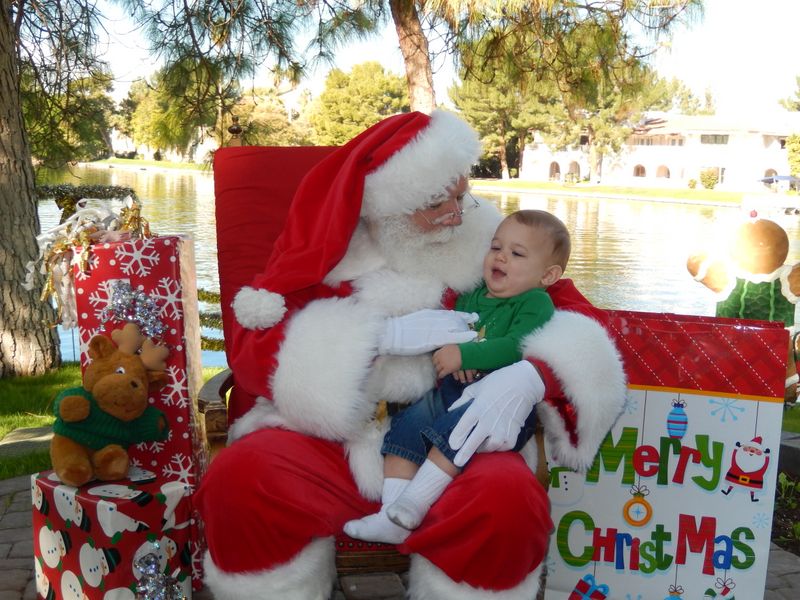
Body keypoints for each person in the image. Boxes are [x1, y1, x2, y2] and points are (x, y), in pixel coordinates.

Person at [196, 110, 626, 600]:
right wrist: (380, 337)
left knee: (507, 503)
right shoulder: (323, 249)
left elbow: (579, 321)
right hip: (337, 439)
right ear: (386, 204)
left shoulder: (489, 237)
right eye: (435, 203)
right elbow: (256, 351)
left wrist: (533, 375)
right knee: (241, 479)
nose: (456, 214)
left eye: (460, 195)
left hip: (454, 434)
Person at [344, 209, 571, 543]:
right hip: (453, 388)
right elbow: (456, 327)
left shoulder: (535, 303)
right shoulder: (474, 293)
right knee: (408, 425)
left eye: (517, 253)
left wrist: (465, 354)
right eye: (496, 247)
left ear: (548, 275)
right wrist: (453, 347)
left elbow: (516, 346)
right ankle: (390, 515)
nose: (501, 257)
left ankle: (415, 503)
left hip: (497, 406)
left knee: (457, 433)